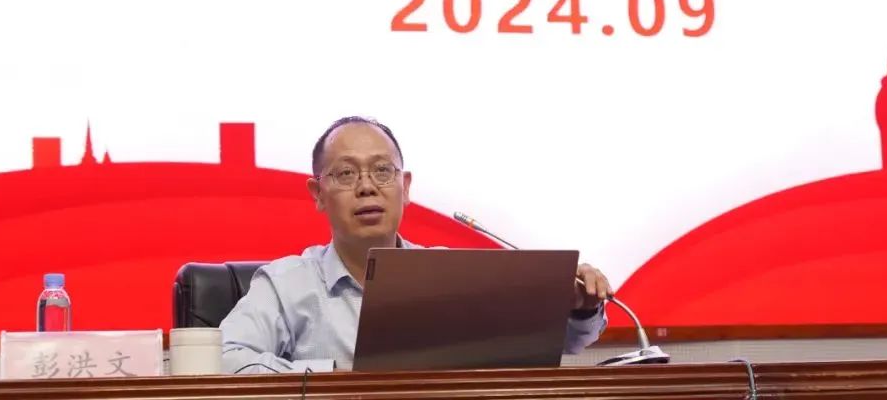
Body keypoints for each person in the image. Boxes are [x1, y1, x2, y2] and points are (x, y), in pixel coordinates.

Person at [219, 116, 611, 374]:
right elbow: (225, 360)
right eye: (346, 173)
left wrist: (581, 308)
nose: (367, 186)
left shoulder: (448, 275)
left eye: (382, 171)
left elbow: (553, 345)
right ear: (318, 194)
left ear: (404, 187)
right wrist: (334, 377)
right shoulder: (285, 284)